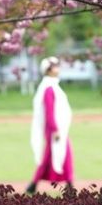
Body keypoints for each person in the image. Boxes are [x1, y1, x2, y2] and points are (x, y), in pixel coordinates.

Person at [25, 56, 74, 193]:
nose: (58, 68)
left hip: (56, 128)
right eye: (54, 66)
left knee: (51, 155)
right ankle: (69, 184)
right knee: (64, 153)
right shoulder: (49, 88)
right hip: (54, 129)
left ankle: (33, 185)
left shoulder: (52, 86)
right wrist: (55, 129)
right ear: (48, 70)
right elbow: (49, 111)